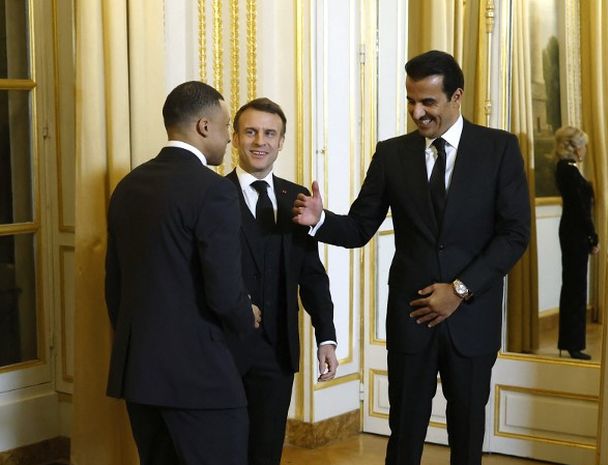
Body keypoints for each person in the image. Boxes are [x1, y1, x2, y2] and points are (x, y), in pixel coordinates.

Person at [293, 50, 530, 465]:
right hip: (411, 319)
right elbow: (359, 228)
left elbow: (514, 236)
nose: (417, 113)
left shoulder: (499, 149)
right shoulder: (391, 154)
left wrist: (459, 290)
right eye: (410, 101)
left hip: (472, 319)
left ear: (456, 96)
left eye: (428, 102)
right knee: (404, 431)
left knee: (468, 431)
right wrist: (320, 221)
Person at [105, 81, 256, 465]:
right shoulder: (213, 190)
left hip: (139, 372)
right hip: (199, 376)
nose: (229, 140)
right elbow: (223, 291)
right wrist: (246, 316)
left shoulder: (127, 186)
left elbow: (115, 288)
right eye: (225, 128)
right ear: (203, 127)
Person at [225, 97, 338, 465]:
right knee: (222, 450)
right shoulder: (212, 196)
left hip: (277, 352)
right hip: (223, 350)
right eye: (251, 131)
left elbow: (312, 276)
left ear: (282, 141)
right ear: (235, 137)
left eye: (270, 133)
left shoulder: (297, 199)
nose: (261, 141)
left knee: (266, 451)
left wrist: (326, 336)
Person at [553, 126, 598, 361]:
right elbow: (581, 210)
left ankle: (570, 343)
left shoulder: (567, 169)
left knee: (573, 287)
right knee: (576, 289)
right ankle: (572, 344)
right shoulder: (568, 171)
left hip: (572, 232)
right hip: (575, 234)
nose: (585, 150)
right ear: (575, 147)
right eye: (583, 145)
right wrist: (593, 236)